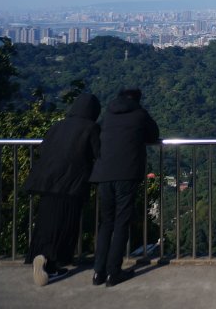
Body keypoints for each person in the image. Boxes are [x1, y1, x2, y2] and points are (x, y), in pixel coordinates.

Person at [23, 92, 102, 286]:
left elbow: (44, 149)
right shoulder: (90, 128)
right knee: (64, 223)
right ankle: (52, 263)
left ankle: (39, 254)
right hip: (71, 183)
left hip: (47, 181)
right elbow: (98, 153)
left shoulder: (57, 126)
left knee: (46, 221)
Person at [89, 88, 160, 287]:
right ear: (137, 99)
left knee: (106, 223)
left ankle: (98, 272)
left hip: (103, 174)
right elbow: (154, 134)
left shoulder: (108, 116)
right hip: (126, 174)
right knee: (121, 223)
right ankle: (113, 272)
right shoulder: (139, 114)